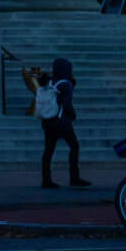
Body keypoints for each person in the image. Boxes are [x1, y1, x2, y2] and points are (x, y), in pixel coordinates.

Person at [35, 57, 88, 189]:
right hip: (62, 122)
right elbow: (67, 104)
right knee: (74, 146)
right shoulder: (66, 84)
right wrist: (72, 116)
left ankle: (46, 180)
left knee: (48, 151)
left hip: (47, 121)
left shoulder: (49, 81)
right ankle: (74, 177)